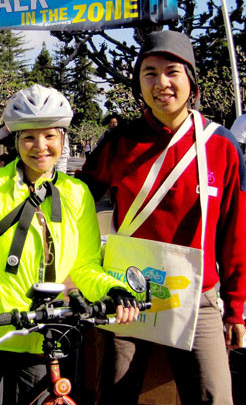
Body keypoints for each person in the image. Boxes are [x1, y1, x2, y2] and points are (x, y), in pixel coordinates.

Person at [0, 84, 140, 405]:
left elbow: (84, 266)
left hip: (46, 342)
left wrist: (113, 290)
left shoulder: (76, 194)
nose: (40, 146)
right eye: (29, 137)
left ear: (63, 139)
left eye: (50, 136)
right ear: (15, 141)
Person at [76, 30, 246, 404]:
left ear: (191, 81)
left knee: (214, 395)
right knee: (115, 395)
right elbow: (77, 205)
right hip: (127, 294)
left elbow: (235, 232)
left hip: (197, 296)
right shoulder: (118, 143)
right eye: (149, 73)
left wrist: (236, 309)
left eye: (172, 72)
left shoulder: (221, 146)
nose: (161, 83)